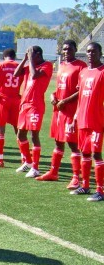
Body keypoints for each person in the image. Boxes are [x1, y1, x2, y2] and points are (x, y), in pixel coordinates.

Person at [36, 40, 86, 187]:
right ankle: (54, 172)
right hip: (59, 111)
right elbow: (59, 88)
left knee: (72, 144)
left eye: (69, 49)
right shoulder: (61, 65)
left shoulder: (80, 66)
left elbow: (81, 90)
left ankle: (77, 177)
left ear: (75, 49)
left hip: (71, 111)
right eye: (64, 49)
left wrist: (65, 101)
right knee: (58, 142)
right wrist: (53, 95)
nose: (66, 51)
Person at [70, 42, 104, 202]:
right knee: (85, 153)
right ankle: (85, 185)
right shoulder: (83, 72)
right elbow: (81, 97)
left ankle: (100, 190)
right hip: (82, 119)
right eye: (88, 51)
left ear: (100, 53)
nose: (90, 54)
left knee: (97, 154)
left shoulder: (103, 72)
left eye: (94, 51)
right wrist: (75, 117)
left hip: (97, 120)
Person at [13, 46, 53, 178]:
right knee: (20, 134)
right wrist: (25, 59)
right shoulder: (29, 65)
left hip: (36, 105)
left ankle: (35, 167)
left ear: (38, 55)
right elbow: (16, 74)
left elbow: (35, 75)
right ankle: (28, 162)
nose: (29, 56)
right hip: (24, 104)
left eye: (31, 54)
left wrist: (30, 60)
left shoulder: (47, 65)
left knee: (34, 135)